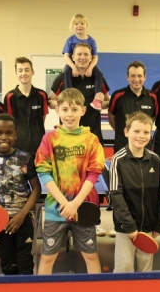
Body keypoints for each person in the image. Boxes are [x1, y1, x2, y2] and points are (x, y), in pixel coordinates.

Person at [35, 88, 105, 274]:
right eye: (65, 109)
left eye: (74, 109)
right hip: (55, 208)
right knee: (48, 256)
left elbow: (93, 174)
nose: (69, 114)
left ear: (83, 110)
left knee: (91, 255)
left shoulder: (91, 140)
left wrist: (75, 204)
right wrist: (65, 203)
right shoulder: (49, 138)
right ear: (57, 111)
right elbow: (44, 172)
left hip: (84, 207)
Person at [49, 43, 112, 236]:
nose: (83, 57)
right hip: (68, 138)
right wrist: (63, 105)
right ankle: (64, 218)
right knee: (71, 180)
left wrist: (102, 102)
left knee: (93, 181)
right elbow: (51, 100)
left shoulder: (98, 78)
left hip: (92, 137)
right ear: (73, 57)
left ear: (91, 57)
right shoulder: (63, 78)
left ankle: (95, 219)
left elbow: (108, 100)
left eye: (86, 54)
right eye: (79, 54)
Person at [0, 113, 41, 275]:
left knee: (25, 265)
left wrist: (22, 214)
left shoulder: (24, 158)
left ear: (16, 135)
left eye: (9, 133)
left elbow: (36, 189)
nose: (3, 137)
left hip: (23, 219)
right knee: (7, 265)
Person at [109, 111, 160, 273]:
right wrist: (129, 226)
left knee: (145, 270)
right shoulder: (117, 160)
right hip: (126, 228)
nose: (141, 136)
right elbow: (116, 195)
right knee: (123, 269)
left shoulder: (155, 159)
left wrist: (159, 223)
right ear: (126, 132)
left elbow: (159, 194)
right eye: (136, 131)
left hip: (148, 225)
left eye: (146, 132)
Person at [108, 61, 159, 153]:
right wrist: (123, 132)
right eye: (133, 76)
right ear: (127, 77)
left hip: (144, 147)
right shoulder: (117, 96)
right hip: (122, 146)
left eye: (139, 76)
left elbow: (153, 118)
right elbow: (111, 118)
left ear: (145, 77)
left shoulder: (153, 97)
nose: (136, 79)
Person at [4, 57, 49, 156]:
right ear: (16, 73)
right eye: (20, 70)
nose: (24, 73)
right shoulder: (10, 97)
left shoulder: (42, 95)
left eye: (27, 70)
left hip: (39, 147)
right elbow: (9, 122)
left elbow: (43, 117)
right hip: (17, 147)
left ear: (32, 72)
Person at [62, 14, 104, 110]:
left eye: (82, 23)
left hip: (89, 65)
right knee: (66, 72)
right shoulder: (70, 40)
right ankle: (70, 96)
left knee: (99, 74)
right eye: (76, 24)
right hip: (72, 64)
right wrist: (73, 67)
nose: (79, 26)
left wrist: (90, 68)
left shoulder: (91, 40)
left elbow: (95, 57)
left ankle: (97, 100)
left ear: (87, 26)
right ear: (73, 26)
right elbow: (66, 56)